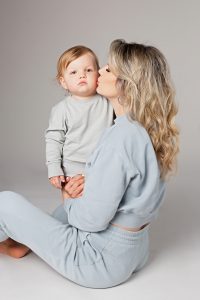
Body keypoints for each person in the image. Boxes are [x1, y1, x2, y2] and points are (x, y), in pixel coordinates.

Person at [0, 39, 179, 288]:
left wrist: (68, 196)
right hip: (135, 251)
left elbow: (91, 221)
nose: (101, 71)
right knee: (62, 214)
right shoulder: (142, 128)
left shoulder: (120, 139)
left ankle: (13, 236)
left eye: (108, 69)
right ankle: (21, 243)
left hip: (99, 261)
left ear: (125, 83)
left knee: (4, 203)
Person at [45, 45, 113, 189]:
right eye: (74, 72)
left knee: (101, 200)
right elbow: (53, 140)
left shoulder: (108, 102)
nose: (82, 75)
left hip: (103, 166)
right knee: (73, 198)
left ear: (98, 75)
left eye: (88, 70)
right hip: (72, 169)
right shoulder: (61, 109)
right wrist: (54, 168)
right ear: (63, 82)